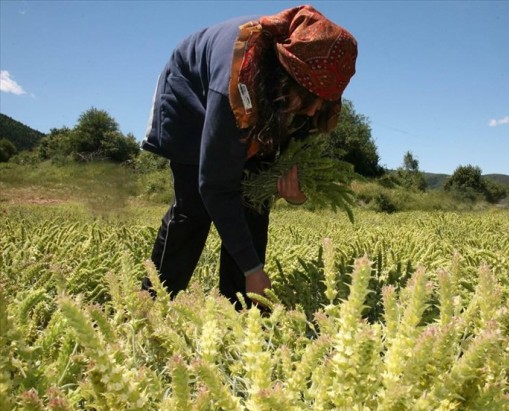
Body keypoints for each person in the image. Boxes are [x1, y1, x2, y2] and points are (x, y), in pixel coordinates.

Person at [140, 5, 358, 308]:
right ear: (286, 75)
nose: (312, 111)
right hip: (190, 95)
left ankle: (240, 313)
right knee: (194, 208)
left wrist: (295, 187)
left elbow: (296, 144)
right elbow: (215, 186)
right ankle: (150, 305)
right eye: (309, 100)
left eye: (322, 104)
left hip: (255, 97)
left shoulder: (309, 80)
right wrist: (253, 269)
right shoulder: (235, 83)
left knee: (253, 203)